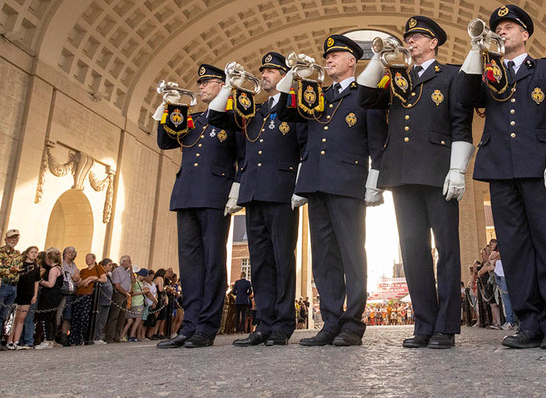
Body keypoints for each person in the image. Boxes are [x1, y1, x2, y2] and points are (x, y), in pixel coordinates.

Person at [457, 4, 546, 350]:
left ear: (525, 34)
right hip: (499, 167)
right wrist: (476, 50)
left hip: (539, 166)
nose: (503, 32)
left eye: (509, 27)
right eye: (499, 28)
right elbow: (464, 98)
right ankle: (529, 321)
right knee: (515, 249)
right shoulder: (487, 74)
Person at [357, 16, 473, 350]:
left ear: (434, 42)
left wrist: (457, 169)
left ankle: (446, 327)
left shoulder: (450, 75)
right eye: (408, 37)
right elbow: (365, 97)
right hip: (403, 172)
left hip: (438, 171)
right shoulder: (395, 78)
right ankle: (424, 324)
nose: (410, 41)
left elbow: (460, 124)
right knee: (413, 250)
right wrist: (380, 58)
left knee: (447, 250)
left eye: (417, 36)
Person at [275, 34, 387, 347]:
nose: (329, 60)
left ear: (353, 60)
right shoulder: (315, 96)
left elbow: (377, 140)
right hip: (315, 182)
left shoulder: (365, 93)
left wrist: (374, 181)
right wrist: (294, 75)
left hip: (348, 183)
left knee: (352, 255)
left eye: (335, 55)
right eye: (327, 56)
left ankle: (352, 323)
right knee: (324, 258)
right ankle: (330, 322)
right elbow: (285, 111)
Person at [208, 51, 305, 347]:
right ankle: (264, 322)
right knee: (260, 260)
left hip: (280, 191)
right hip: (253, 192)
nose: (264, 75)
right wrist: (230, 86)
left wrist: (300, 186)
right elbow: (215, 116)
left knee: (282, 258)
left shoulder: (295, 107)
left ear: (284, 76)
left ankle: (283, 324)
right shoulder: (253, 110)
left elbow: (304, 146)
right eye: (262, 71)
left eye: (272, 72)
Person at [155, 64, 243, 349]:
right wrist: (166, 105)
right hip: (187, 194)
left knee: (213, 261)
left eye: (208, 83)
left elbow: (243, 154)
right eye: (200, 83)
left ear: (222, 85)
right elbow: (165, 140)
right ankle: (188, 326)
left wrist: (235, 190)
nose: (201, 87)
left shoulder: (233, 116)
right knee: (190, 264)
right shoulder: (190, 119)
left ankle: (206, 327)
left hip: (215, 194)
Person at [69, 253, 106, 346]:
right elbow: (78, 284)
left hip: (89, 296)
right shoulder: (83, 271)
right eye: (86, 258)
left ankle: (84, 337)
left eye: (89, 258)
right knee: (76, 318)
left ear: (94, 260)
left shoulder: (98, 268)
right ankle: (74, 340)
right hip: (79, 295)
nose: (87, 260)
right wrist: (87, 280)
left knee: (85, 317)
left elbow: (103, 279)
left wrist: (91, 278)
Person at [8, 245, 39, 349]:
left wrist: (35, 295)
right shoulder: (21, 264)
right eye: (32, 252)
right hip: (18, 292)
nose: (34, 254)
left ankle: (16, 341)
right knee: (14, 318)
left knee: (22, 318)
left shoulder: (36, 267)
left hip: (28, 294)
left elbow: (36, 282)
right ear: (27, 253)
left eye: (36, 252)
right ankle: (10, 341)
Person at [34, 248, 63, 349]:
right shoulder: (59, 268)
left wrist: (40, 281)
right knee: (51, 318)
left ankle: (47, 339)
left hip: (50, 296)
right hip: (55, 296)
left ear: (49, 259)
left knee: (46, 318)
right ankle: (51, 339)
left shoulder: (54, 269)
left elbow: (51, 284)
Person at [0, 229, 22, 347]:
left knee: (5, 316)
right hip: (3, 284)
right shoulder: (1, 252)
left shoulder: (18, 254)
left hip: (14, 286)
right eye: (12, 237)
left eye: (16, 238)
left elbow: (20, 268)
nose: (14, 240)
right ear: (6, 239)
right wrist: (9, 270)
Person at [104, 255, 132, 343]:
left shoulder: (127, 272)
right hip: (119, 294)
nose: (130, 262)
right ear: (123, 262)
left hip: (125, 295)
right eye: (128, 261)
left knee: (122, 317)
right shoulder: (117, 271)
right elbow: (117, 285)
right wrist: (125, 293)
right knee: (114, 316)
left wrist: (131, 270)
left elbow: (133, 281)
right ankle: (109, 336)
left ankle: (117, 336)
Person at [92, 258, 115, 344]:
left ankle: (98, 336)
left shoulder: (108, 275)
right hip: (100, 300)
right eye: (109, 265)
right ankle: (94, 336)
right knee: (97, 319)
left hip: (107, 301)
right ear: (103, 266)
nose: (111, 267)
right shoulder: (99, 274)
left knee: (102, 320)